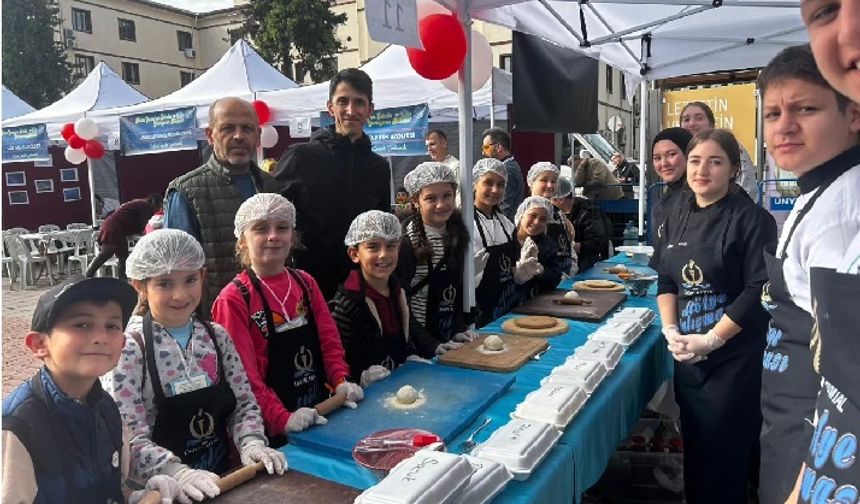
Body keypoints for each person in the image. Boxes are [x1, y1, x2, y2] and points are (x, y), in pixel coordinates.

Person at [103, 229, 286, 504]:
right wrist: (177, 473)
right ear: (139, 286)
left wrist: (252, 443)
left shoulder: (217, 338)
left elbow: (243, 403)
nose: (180, 294)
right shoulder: (129, 350)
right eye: (165, 283)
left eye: (190, 280)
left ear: (202, 276)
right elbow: (127, 435)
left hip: (222, 481)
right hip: (164, 492)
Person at [754, 44, 860, 504]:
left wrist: (804, 484)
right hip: (789, 415)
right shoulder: (820, 186)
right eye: (773, 113)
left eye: (806, 109)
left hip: (813, 438)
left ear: (853, 114)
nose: (784, 126)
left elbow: (845, 382)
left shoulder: (845, 209)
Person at [656, 129, 777, 503]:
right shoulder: (674, 215)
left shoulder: (753, 220)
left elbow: (758, 290)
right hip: (689, 360)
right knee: (696, 452)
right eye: (695, 160)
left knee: (726, 460)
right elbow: (666, 279)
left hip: (734, 362)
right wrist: (671, 328)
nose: (701, 170)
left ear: (733, 169)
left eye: (715, 161)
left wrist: (713, 339)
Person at [2, 275, 181, 504]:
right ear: (39, 344)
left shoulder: (108, 409)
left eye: (112, 326)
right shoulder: (17, 428)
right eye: (82, 325)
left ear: (122, 343)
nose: (100, 337)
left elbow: (115, 489)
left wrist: (138, 496)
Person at [212, 194, 363, 441]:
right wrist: (281, 419)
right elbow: (243, 376)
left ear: (292, 236)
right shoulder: (234, 299)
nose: (273, 235)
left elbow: (329, 342)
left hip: (319, 413)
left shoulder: (305, 283)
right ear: (242, 241)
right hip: (272, 430)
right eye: (260, 228)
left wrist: (341, 380)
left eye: (282, 227)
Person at [274, 68, 391, 300]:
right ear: (330, 107)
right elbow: (272, 214)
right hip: (308, 284)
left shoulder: (378, 167)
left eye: (359, 102)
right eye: (343, 101)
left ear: (370, 110)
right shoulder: (301, 157)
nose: (351, 110)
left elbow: (382, 224)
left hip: (361, 284)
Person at [164, 97, 281, 311]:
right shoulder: (186, 191)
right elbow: (175, 269)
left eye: (247, 128)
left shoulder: (272, 185)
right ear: (210, 135)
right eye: (228, 128)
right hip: (215, 320)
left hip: (271, 314)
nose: (238, 136)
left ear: (258, 136)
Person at [329, 211, 444, 388]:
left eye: (391, 246)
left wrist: (426, 349)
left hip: (398, 383)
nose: (383, 254)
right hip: (366, 397)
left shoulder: (400, 290)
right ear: (354, 254)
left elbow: (409, 327)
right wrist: (358, 377)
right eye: (373, 247)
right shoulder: (347, 303)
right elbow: (335, 356)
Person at [397, 162, 473, 347]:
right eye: (431, 198)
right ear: (415, 201)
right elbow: (400, 302)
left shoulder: (458, 235)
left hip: (448, 335)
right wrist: (430, 345)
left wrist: (457, 330)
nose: (441, 204)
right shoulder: (407, 242)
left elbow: (455, 292)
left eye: (447, 196)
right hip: (417, 342)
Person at [471, 158, 520, 327]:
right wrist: (469, 277)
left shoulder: (506, 224)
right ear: (474, 184)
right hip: (480, 313)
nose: (495, 189)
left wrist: (522, 274)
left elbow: (514, 263)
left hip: (508, 307)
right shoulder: (462, 223)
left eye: (500, 184)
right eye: (488, 183)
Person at [679, 101, 759, 200]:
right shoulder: (680, 152)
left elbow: (747, 185)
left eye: (699, 118)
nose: (691, 123)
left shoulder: (728, 145)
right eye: (686, 119)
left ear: (711, 124)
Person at [86, 193, 163, 280]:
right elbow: (143, 224)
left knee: (122, 257)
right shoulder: (145, 206)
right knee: (107, 253)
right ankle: (89, 275)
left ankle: (122, 280)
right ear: (155, 203)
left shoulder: (140, 203)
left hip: (114, 226)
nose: (158, 209)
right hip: (114, 227)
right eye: (159, 206)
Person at [648, 127, 693, 268]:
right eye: (657, 158)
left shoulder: (704, 195)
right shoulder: (665, 200)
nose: (664, 163)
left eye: (671, 154)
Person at [526, 161, 578, 277]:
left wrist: (571, 273)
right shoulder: (525, 213)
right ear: (531, 183)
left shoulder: (559, 213)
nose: (549, 185)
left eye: (553, 181)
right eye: (544, 180)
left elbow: (569, 248)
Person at [556, 176, 611, 272]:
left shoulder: (588, 213)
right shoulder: (558, 214)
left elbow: (598, 244)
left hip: (587, 267)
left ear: (560, 199)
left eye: (551, 200)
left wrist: (568, 247)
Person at [512, 196, 563, 299]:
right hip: (508, 300)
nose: (536, 222)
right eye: (532, 215)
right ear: (521, 215)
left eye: (543, 219)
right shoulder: (507, 238)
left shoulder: (547, 244)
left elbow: (556, 276)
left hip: (533, 300)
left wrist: (541, 271)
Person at [482, 127, 524, 221]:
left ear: (498, 147)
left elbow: (505, 207)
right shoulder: (508, 166)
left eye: (486, 147)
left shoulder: (507, 170)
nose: (483, 152)